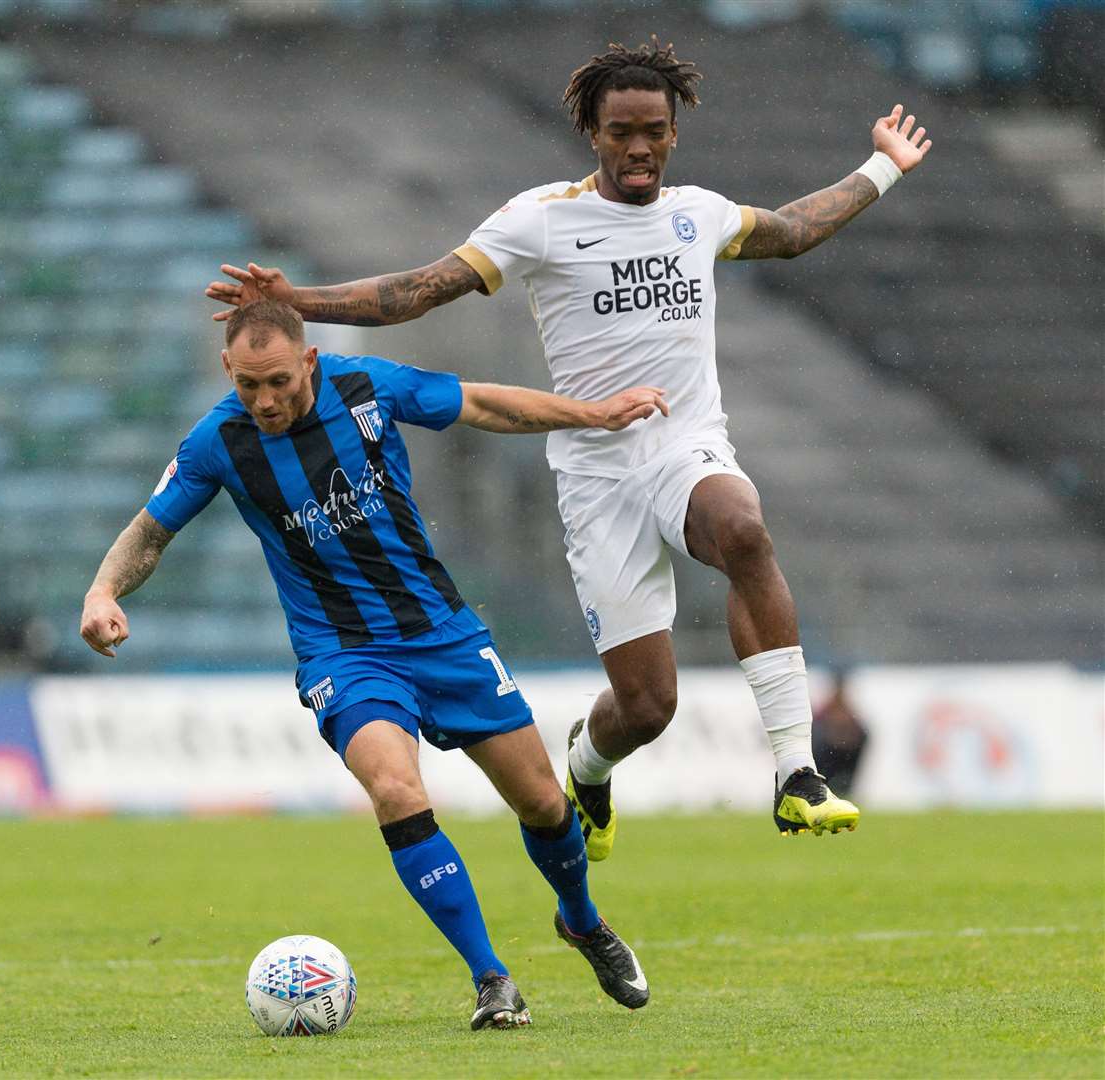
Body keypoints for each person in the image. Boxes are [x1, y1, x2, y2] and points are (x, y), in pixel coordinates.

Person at [206, 38, 934, 845]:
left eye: (652, 129)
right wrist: (298, 301)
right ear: (593, 132)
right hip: (595, 476)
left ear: (672, 133)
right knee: (649, 707)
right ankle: (589, 763)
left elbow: (795, 230)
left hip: (684, 444)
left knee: (744, 530)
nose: (638, 146)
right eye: (620, 130)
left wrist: (884, 168)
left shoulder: (700, 213)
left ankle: (796, 771)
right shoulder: (541, 221)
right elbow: (418, 291)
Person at [80, 300, 668, 1029]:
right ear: (228, 369)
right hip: (344, 655)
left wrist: (595, 413)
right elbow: (149, 530)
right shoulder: (216, 443)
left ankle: (580, 920)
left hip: (443, 634)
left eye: (279, 383)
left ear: (311, 362)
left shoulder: (371, 388)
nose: (264, 401)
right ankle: (492, 979)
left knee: (545, 805)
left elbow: (482, 402)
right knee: (395, 789)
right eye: (248, 384)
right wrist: (104, 589)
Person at [811, 670, 869, 798]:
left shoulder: (844, 707)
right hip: (830, 752)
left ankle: (843, 785)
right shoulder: (831, 707)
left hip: (841, 754)